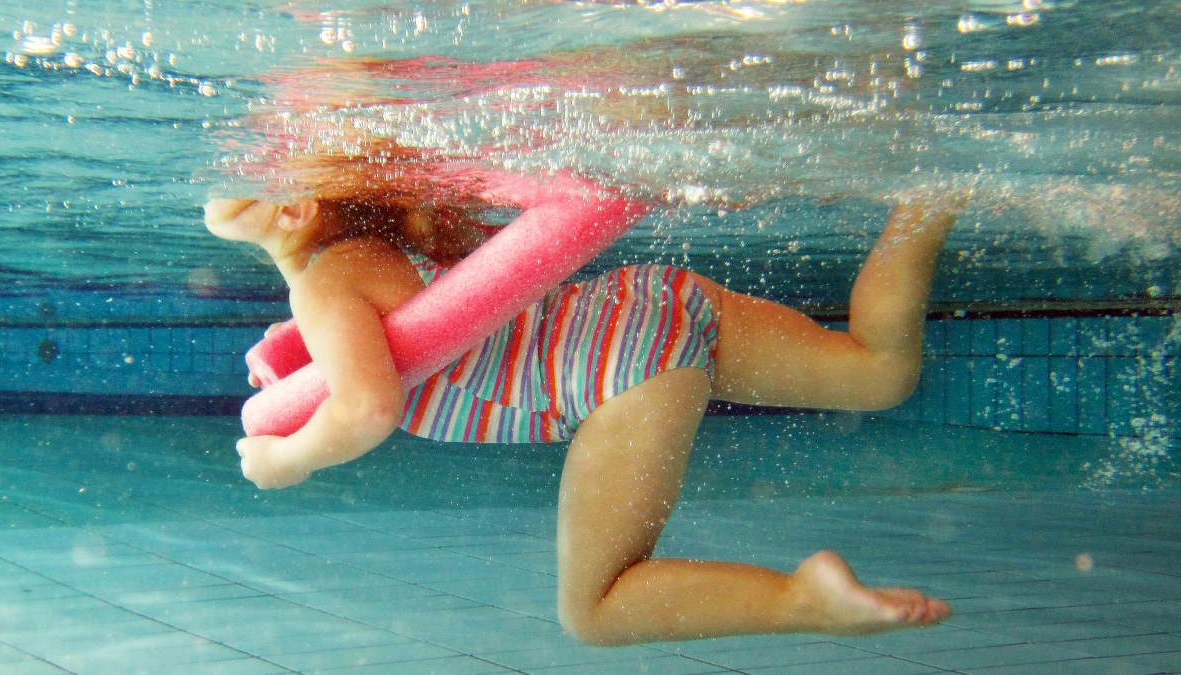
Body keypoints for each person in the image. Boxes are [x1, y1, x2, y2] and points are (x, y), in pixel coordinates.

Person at [204, 163, 962, 646]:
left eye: (235, 167)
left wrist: (286, 458)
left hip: (619, 374)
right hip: (650, 300)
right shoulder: (388, 254)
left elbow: (366, 408)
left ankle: (806, 600)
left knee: (596, 609)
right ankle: (932, 198)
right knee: (878, 371)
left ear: (297, 209)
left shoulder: (327, 281)